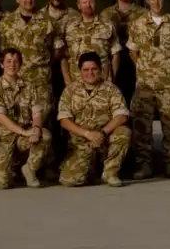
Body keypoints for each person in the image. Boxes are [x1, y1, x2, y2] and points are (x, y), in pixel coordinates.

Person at [125, 0, 170, 179]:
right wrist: (145, 68)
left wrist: (168, 68)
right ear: (147, 0)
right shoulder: (137, 24)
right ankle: (144, 165)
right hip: (145, 85)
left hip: (168, 84)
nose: (156, 2)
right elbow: (133, 51)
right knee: (142, 126)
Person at [56, 52, 132, 187]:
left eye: (94, 69)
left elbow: (121, 116)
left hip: (105, 140)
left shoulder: (110, 89)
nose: (90, 73)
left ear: (100, 70)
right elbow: (64, 120)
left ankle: (110, 173)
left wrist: (102, 133)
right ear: (80, 71)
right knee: (70, 181)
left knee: (123, 132)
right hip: (81, 143)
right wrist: (88, 134)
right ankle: (89, 169)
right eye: (86, 70)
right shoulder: (70, 91)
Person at [0, 47, 50, 189]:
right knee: (2, 183)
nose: (12, 65)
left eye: (15, 61)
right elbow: (0, 117)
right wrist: (23, 132)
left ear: (20, 64)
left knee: (44, 135)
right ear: (2, 64)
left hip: (22, 135)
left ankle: (29, 170)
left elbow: (36, 113)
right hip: (2, 137)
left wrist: (36, 128)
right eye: (8, 61)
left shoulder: (29, 86)